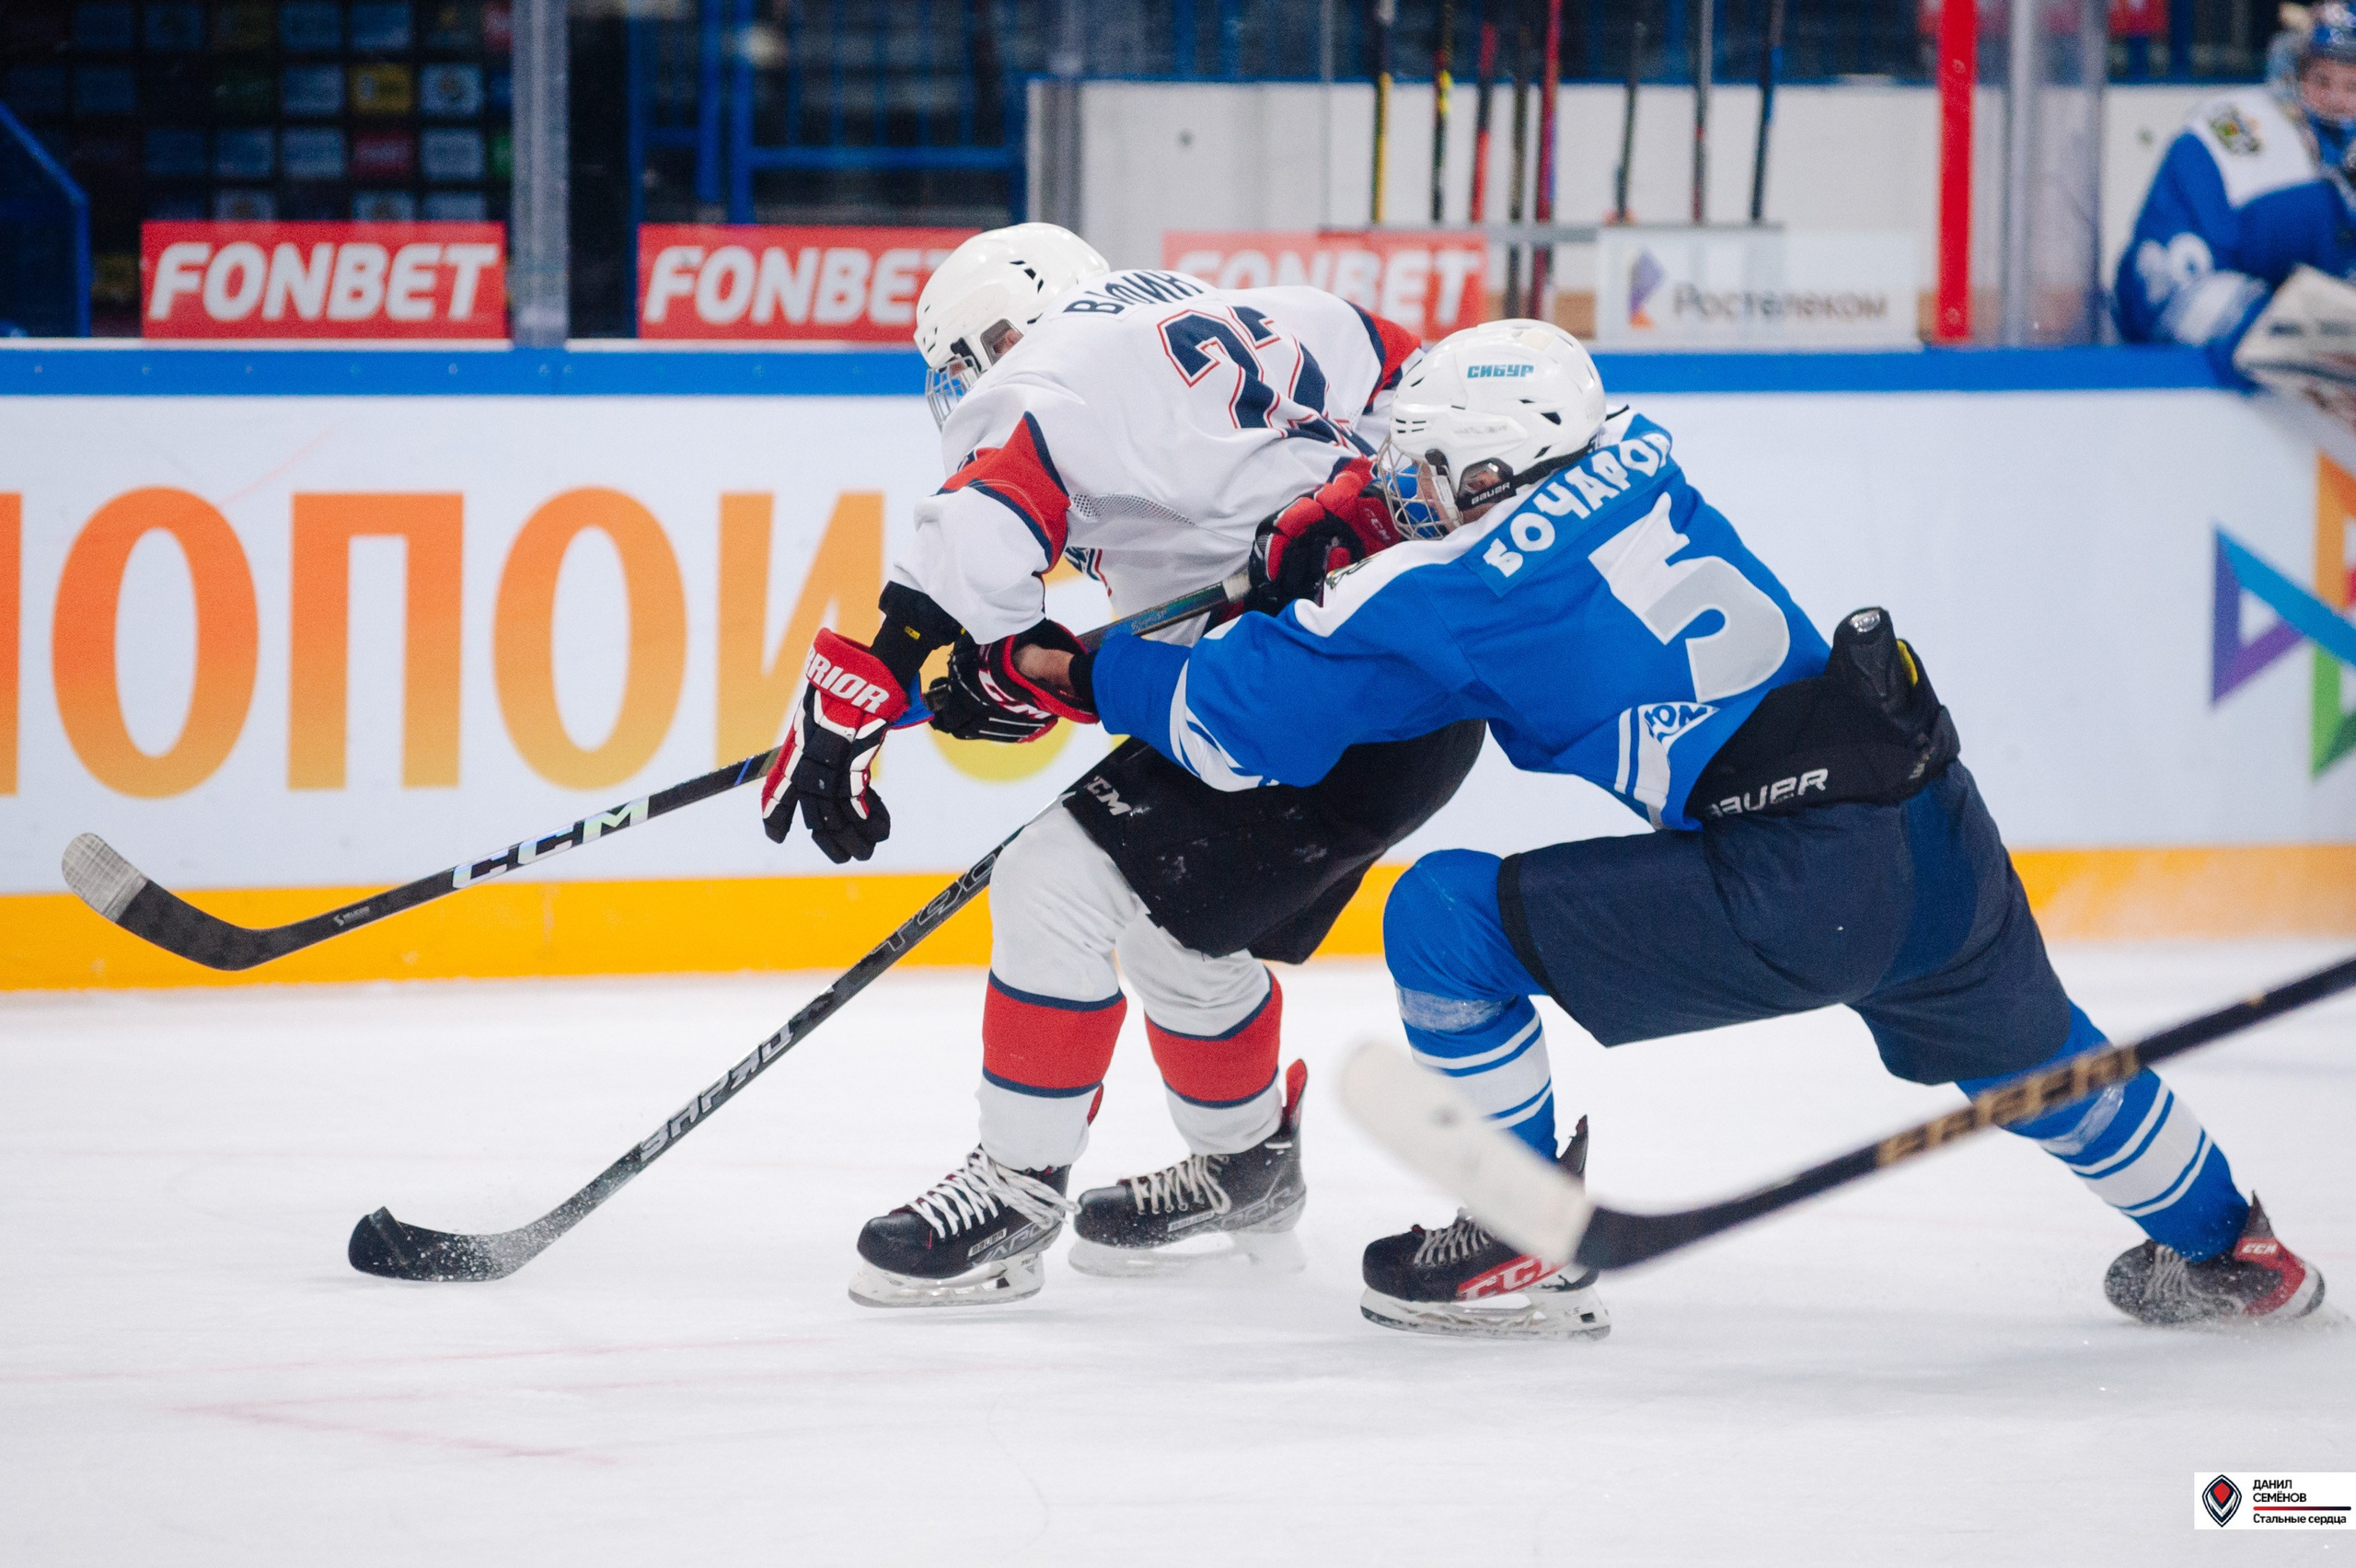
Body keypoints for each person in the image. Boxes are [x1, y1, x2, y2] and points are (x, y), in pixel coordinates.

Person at [1044, 318, 2328, 1339]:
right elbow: (1509, 588)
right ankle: (2235, 1251)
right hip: (1928, 810)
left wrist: (1079, 671)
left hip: (1799, 878)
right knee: (2041, 1060)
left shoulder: (1447, 590)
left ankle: (1516, 1238)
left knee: (1442, 918)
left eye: (1427, 469)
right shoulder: (1639, 451)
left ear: (1487, 466)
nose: (1409, 489)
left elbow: (1236, 725)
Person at [761, 223, 1485, 1307]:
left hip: (1307, 701)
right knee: (1173, 924)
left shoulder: (1048, 372)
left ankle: (1013, 1190)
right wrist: (995, 677)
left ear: (1001, 331)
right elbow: (1432, 397)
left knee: (1055, 875)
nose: (958, 393)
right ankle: (1248, 1168)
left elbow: (975, 535)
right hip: (1406, 699)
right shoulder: (1281, 313)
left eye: (958, 365)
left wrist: (870, 679)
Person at [2117, 3, 2356, 374]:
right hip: (2184, 337)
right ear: (2295, 73)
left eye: (2353, 86)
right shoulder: (2239, 128)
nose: (2336, 100)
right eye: (2321, 81)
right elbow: (2158, 291)